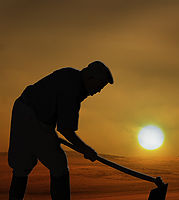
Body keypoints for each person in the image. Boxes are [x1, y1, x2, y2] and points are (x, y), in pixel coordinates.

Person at [8, 61, 114, 200]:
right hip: (33, 117)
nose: (99, 91)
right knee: (58, 166)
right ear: (90, 78)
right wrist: (85, 149)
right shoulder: (73, 89)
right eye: (99, 85)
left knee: (21, 168)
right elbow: (65, 129)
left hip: (22, 109)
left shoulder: (71, 75)